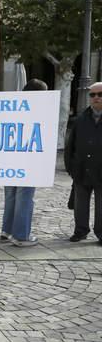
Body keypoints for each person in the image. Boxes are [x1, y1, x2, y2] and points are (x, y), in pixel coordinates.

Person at [0, 78, 48, 247]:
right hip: (28, 158)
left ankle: (7, 230)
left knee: (11, 194)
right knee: (25, 196)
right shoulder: (39, 110)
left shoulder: (13, 107)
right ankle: (21, 235)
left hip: (9, 157)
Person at [64, 81, 102, 244]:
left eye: (100, 94)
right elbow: (69, 146)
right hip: (81, 170)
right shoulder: (81, 119)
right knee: (80, 205)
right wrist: (71, 167)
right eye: (92, 94)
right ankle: (80, 231)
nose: (96, 98)